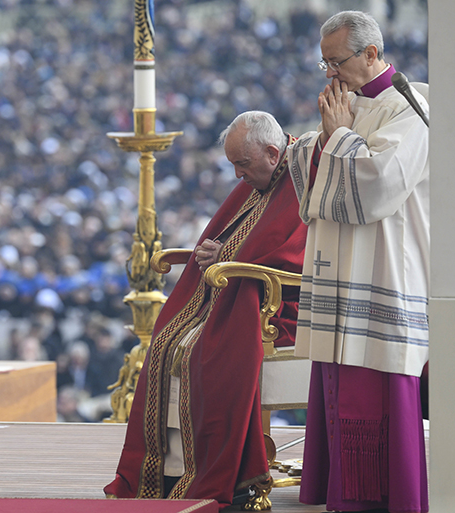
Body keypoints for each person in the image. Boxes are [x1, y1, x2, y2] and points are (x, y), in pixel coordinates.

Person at [104, 111, 307, 510]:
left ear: (271, 152)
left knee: (206, 351)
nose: (237, 176)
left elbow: (297, 255)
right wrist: (222, 253)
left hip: (278, 310)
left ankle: (219, 472)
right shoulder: (263, 175)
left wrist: (228, 255)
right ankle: (169, 472)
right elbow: (231, 234)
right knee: (166, 342)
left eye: (242, 165)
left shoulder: (302, 175)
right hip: (234, 292)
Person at [286, 11, 429, 513]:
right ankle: (343, 492)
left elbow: (378, 185)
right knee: (337, 382)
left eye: (337, 61)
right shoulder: (347, 104)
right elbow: (311, 160)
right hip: (344, 271)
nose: (329, 73)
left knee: (379, 388)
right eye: (323, 62)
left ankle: (389, 497)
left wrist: (339, 137)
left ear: (371, 53)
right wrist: (323, 140)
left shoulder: (411, 107)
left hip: (385, 270)